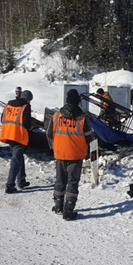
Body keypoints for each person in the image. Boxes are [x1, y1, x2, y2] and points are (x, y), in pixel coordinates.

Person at [46, 89, 94, 221]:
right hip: (76, 155)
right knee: (72, 182)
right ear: (78, 101)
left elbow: (49, 133)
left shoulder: (56, 116)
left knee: (60, 180)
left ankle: (58, 206)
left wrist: (54, 147)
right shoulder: (82, 118)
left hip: (60, 153)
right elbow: (90, 138)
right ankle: (68, 211)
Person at [0, 89, 33, 194]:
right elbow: (27, 124)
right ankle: (10, 185)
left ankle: (21, 180)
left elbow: (2, 119)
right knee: (15, 160)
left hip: (8, 134)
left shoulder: (8, 105)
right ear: (28, 99)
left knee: (18, 157)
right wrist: (31, 128)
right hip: (18, 136)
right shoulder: (25, 107)